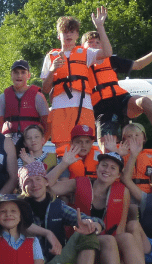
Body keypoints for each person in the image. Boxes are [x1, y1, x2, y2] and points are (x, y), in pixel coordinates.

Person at [80, 29, 152, 155]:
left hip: (121, 99)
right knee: (108, 151)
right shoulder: (79, 65)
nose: (94, 45)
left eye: (97, 42)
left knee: (144, 101)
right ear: (82, 47)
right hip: (102, 108)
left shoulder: (111, 60)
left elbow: (138, 65)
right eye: (90, 42)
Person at [46, 148, 147, 264]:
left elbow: (120, 227)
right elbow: (48, 188)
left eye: (112, 168)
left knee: (126, 237)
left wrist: (121, 256)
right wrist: (64, 164)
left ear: (118, 175)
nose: (107, 170)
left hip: (107, 249)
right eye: (104, 165)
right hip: (81, 244)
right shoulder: (79, 183)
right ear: (97, 168)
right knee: (109, 240)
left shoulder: (123, 191)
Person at [40, 9, 113, 155]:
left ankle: (84, 177)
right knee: (63, 150)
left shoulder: (86, 53)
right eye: (65, 32)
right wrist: (52, 70)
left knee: (85, 150)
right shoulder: (51, 56)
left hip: (84, 108)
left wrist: (100, 27)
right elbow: (45, 89)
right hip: (60, 109)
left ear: (77, 35)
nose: (68, 35)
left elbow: (107, 53)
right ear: (58, 35)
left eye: (72, 31)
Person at [17, 161, 106, 264]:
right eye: (28, 181)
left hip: (57, 262)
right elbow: (20, 225)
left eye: (38, 179)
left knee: (87, 233)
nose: (34, 184)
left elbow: (98, 221)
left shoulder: (58, 206)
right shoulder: (16, 206)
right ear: (23, 187)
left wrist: (92, 225)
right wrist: (47, 233)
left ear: (46, 182)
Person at [0, 60, 49, 144]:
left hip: (31, 140)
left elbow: (47, 124)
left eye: (23, 72)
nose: (19, 75)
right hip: (9, 139)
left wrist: (42, 143)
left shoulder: (38, 96)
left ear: (28, 75)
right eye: (16, 72)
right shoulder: (3, 97)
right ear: (11, 75)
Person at [102, 123, 152, 193]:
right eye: (129, 136)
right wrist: (115, 153)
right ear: (124, 140)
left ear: (144, 138)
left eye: (137, 135)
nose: (134, 138)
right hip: (123, 193)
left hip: (145, 193)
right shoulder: (119, 154)